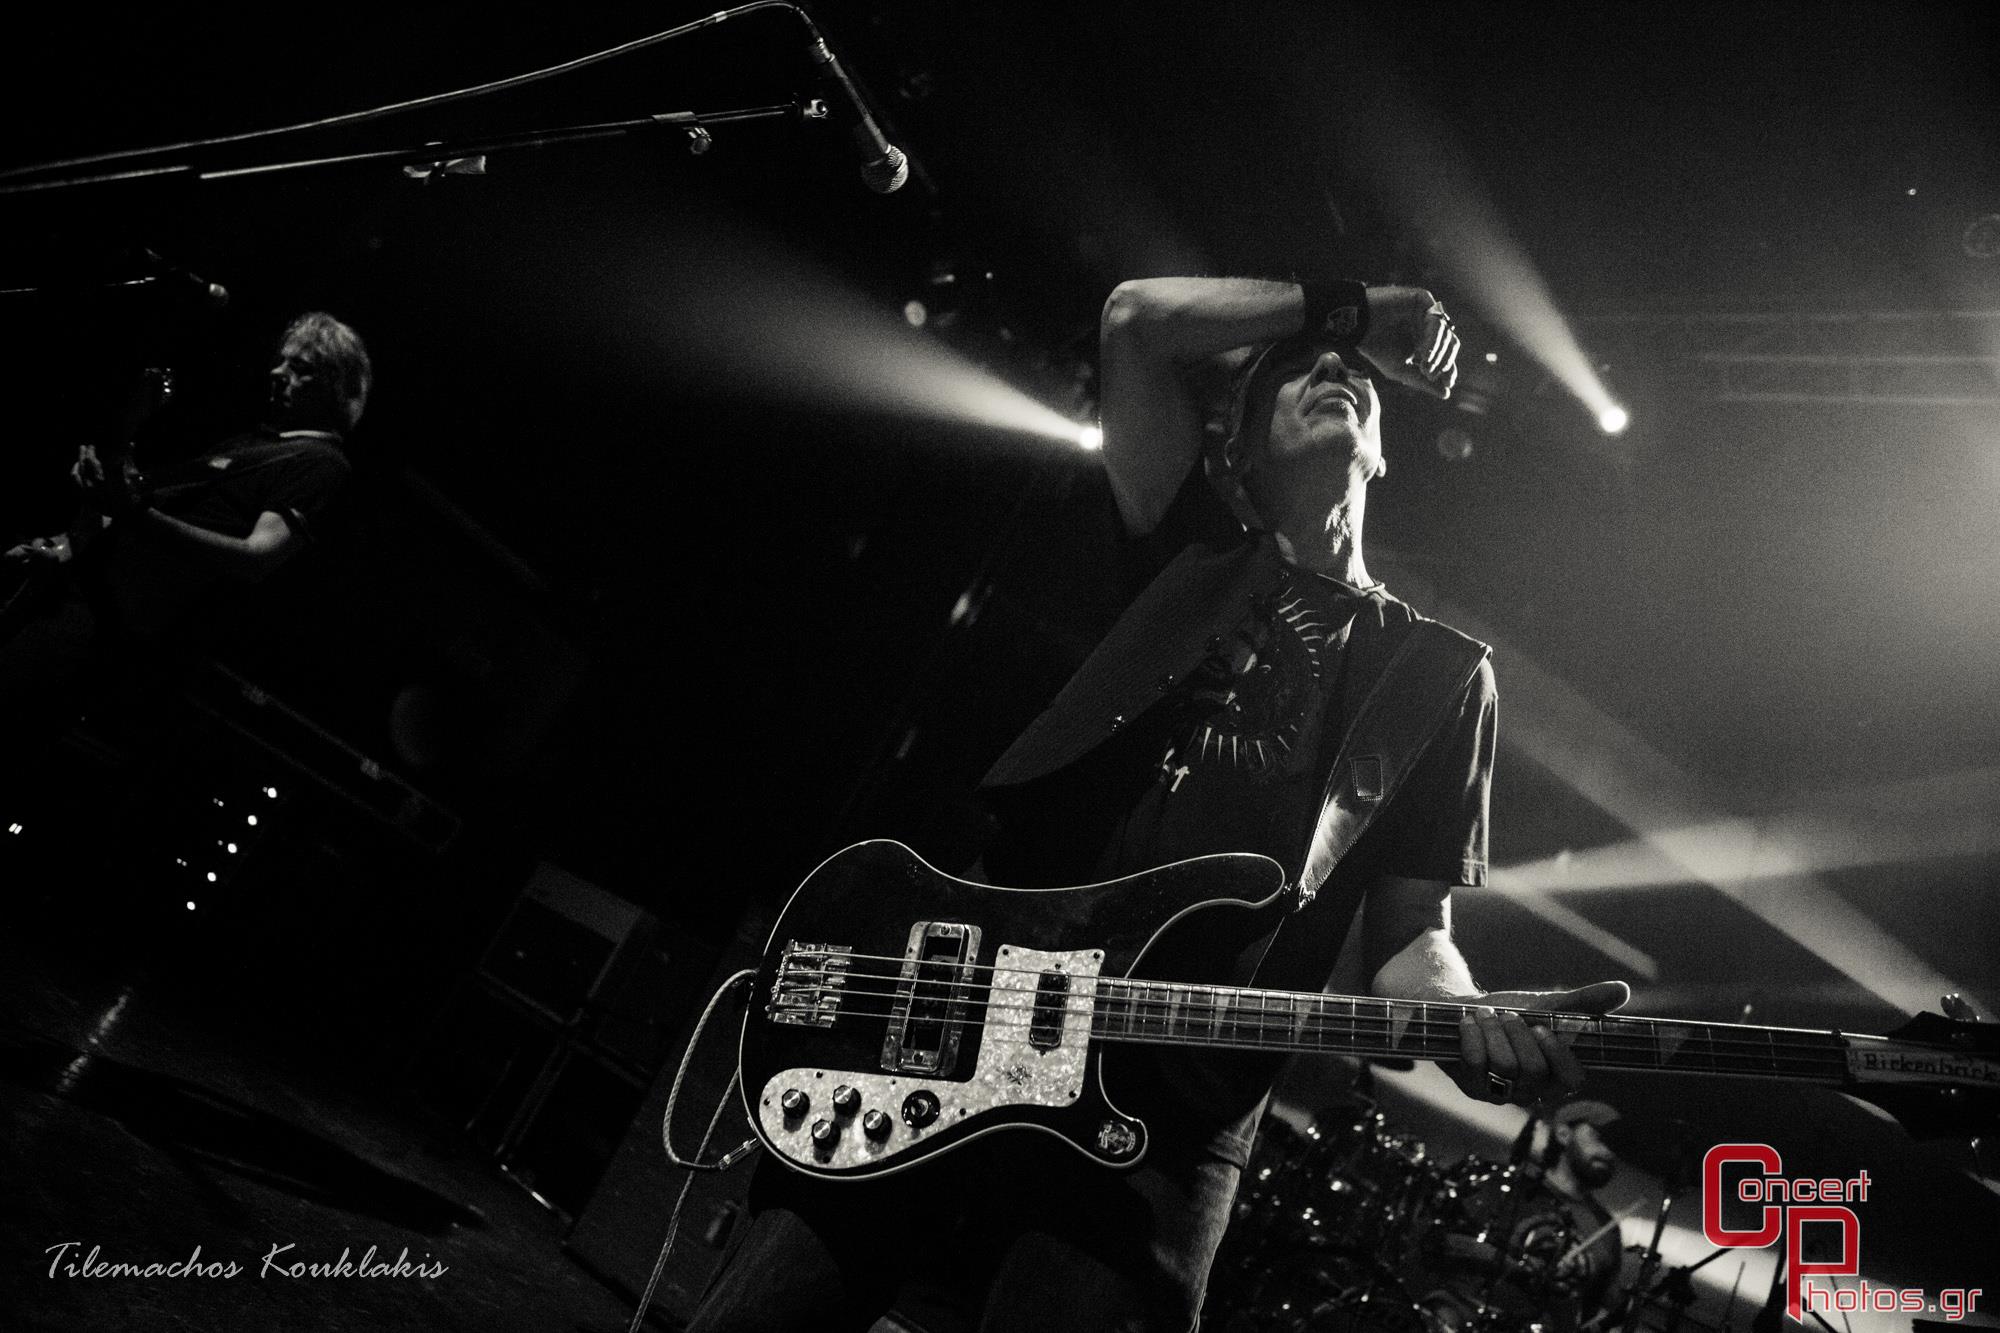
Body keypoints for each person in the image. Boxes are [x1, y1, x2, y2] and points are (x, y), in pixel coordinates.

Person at [686, 276, 1628, 1333]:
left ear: (1381, 452)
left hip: (1170, 1110)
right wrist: (1357, 309)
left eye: (1352, 376)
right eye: (1298, 370)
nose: (1333, 368)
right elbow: (1137, 320)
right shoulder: (1182, 544)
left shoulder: (1442, 677)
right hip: (963, 1012)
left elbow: (1413, 930)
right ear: (1237, 451)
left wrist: (1467, 1016)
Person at [0, 312, 371, 831]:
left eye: (301, 367)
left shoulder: (322, 463)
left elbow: (256, 558)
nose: (277, 373)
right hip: (71, 596)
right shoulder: (250, 444)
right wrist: (68, 542)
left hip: (108, 629)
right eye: (281, 362)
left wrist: (130, 510)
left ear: (335, 386)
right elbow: (134, 506)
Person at [1420, 1098, 1632, 1333]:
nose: (1609, 1153)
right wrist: (1522, 1267)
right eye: (1599, 1138)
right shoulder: (1501, 1187)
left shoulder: (1607, 1230)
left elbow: (1599, 1309)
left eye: (1616, 1147)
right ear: (1563, 1134)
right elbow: (1440, 1245)